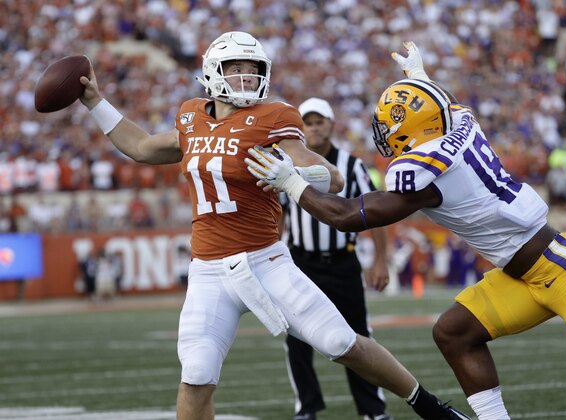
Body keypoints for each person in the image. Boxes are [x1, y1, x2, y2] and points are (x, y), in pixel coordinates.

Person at [76, 32, 469, 420]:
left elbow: (331, 177)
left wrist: (292, 172)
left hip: (265, 261)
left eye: (253, 69)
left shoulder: (272, 116)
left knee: (341, 342)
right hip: (208, 270)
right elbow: (141, 147)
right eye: (236, 68)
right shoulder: (191, 115)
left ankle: (428, 405)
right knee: (196, 375)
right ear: (213, 71)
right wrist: (95, 101)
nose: (247, 77)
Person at [246, 41, 566, 420]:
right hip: (521, 275)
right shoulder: (460, 120)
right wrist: (419, 77)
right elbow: (444, 103)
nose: (383, 133)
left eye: (388, 126)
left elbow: (347, 216)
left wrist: (292, 184)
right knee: (454, 332)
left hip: (562, 265)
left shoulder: (424, 172)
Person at [282, 97, 392, 420]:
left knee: (358, 337)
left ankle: (372, 410)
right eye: (308, 123)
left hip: (343, 262)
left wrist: (381, 260)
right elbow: (279, 216)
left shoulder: (351, 165)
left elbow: (374, 211)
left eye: (320, 122)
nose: (314, 128)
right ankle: (307, 408)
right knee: (297, 339)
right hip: (301, 263)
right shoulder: (288, 163)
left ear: (331, 124)